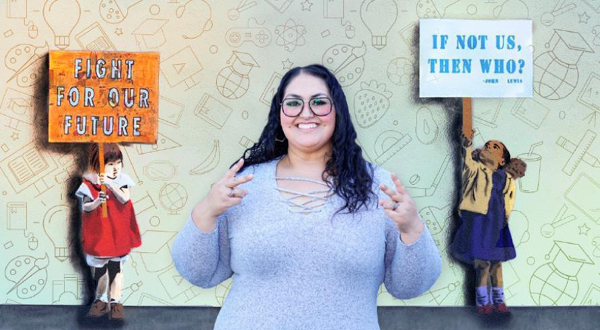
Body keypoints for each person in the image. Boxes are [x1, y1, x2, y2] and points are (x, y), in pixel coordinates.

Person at [172, 64, 442, 329]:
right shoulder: (244, 184)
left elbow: (411, 286)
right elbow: (199, 274)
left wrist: (412, 227)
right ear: (280, 113)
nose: (305, 113)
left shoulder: (378, 187)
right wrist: (207, 210)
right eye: (293, 103)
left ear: (338, 110)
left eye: (319, 102)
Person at [450, 131, 526, 315]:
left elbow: (509, 198)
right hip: (479, 223)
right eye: (487, 145)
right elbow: (467, 163)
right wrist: (467, 145)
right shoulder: (476, 170)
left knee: (497, 264)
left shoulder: (505, 178)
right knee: (482, 264)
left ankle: (499, 301)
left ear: (502, 161)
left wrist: (505, 218)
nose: (488, 147)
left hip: (497, 226)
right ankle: (483, 302)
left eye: (495, 147)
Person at [75, 143, 141, 320]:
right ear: (99, 165)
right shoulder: (89, 183)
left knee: (117, 268)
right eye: (110, 164)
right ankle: (101, 300)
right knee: (101, 270)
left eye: (118, 163)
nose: (115, 168)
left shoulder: (122, 181)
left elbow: (125, 198)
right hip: (101, 234)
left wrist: (110, 184)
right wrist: (97, 201)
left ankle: (116, 302)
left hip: (118, 233)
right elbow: (86, 207)